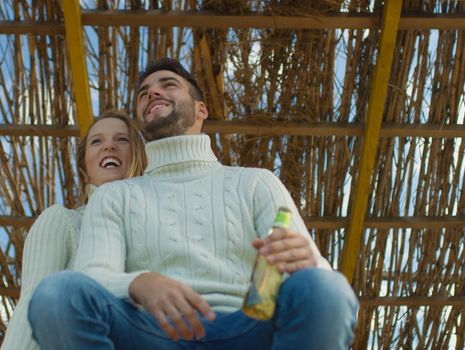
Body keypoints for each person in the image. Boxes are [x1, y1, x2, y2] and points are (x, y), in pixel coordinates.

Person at [28, 58, 359, 349]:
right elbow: (92, 276)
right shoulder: (118, 195)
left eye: (167, 85)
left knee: (325, 288)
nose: (152, 93)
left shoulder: (256, 182)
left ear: (202, 109)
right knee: (57, 294)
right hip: (150, 334)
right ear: (142, 119)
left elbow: (320, 287)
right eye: (144, 93)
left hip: (248, 328)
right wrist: (139, 282)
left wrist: (310, 262)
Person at [0, 110, 147, 350]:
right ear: (85, 164)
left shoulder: (156, 233)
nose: (109, 146)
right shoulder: (62, 220)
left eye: (122, 139)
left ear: (138, 155)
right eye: (97, 141)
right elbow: (32, 303)